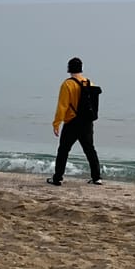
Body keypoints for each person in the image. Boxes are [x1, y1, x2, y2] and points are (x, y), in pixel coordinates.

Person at [47, 57, 103, 186]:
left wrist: (56, 123)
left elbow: (62, 106)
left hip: (72, 122)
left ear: (68, 69)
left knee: (63, 150)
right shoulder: (89, 83)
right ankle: (97, 178)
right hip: (87, 122)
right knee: (90, 150)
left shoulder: (67, 84)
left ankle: (57, 178)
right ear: (81, 68)